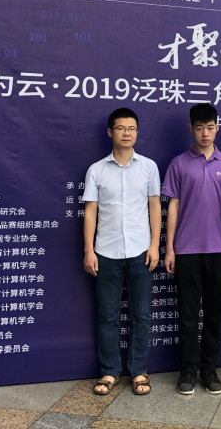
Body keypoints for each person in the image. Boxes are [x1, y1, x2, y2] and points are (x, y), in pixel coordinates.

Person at [82, 107, 161, 396]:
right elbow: (91, 211)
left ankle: (139, 371)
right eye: (120, 128)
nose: (126, 133)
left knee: (141, 314)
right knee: (107, 315)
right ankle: (109, 371)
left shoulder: (149, 167)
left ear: (137, 132)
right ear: (110, 132)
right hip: (106, 251)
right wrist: (89, 250)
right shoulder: (97, 170)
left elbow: (155, 207)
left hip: (141, 250)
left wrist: (155, 245)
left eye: (131, 128)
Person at [162, 103, 221, 395]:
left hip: (220, 248)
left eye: (210, 127)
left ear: (217, 128)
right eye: (199, 128)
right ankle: (188, 371)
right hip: (186, 249)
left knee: (215, 314)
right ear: (191, 129)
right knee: (188, 314)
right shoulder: (179, 163)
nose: (205, 133)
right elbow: (173, 206)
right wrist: (170, 248)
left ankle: (209, 370)